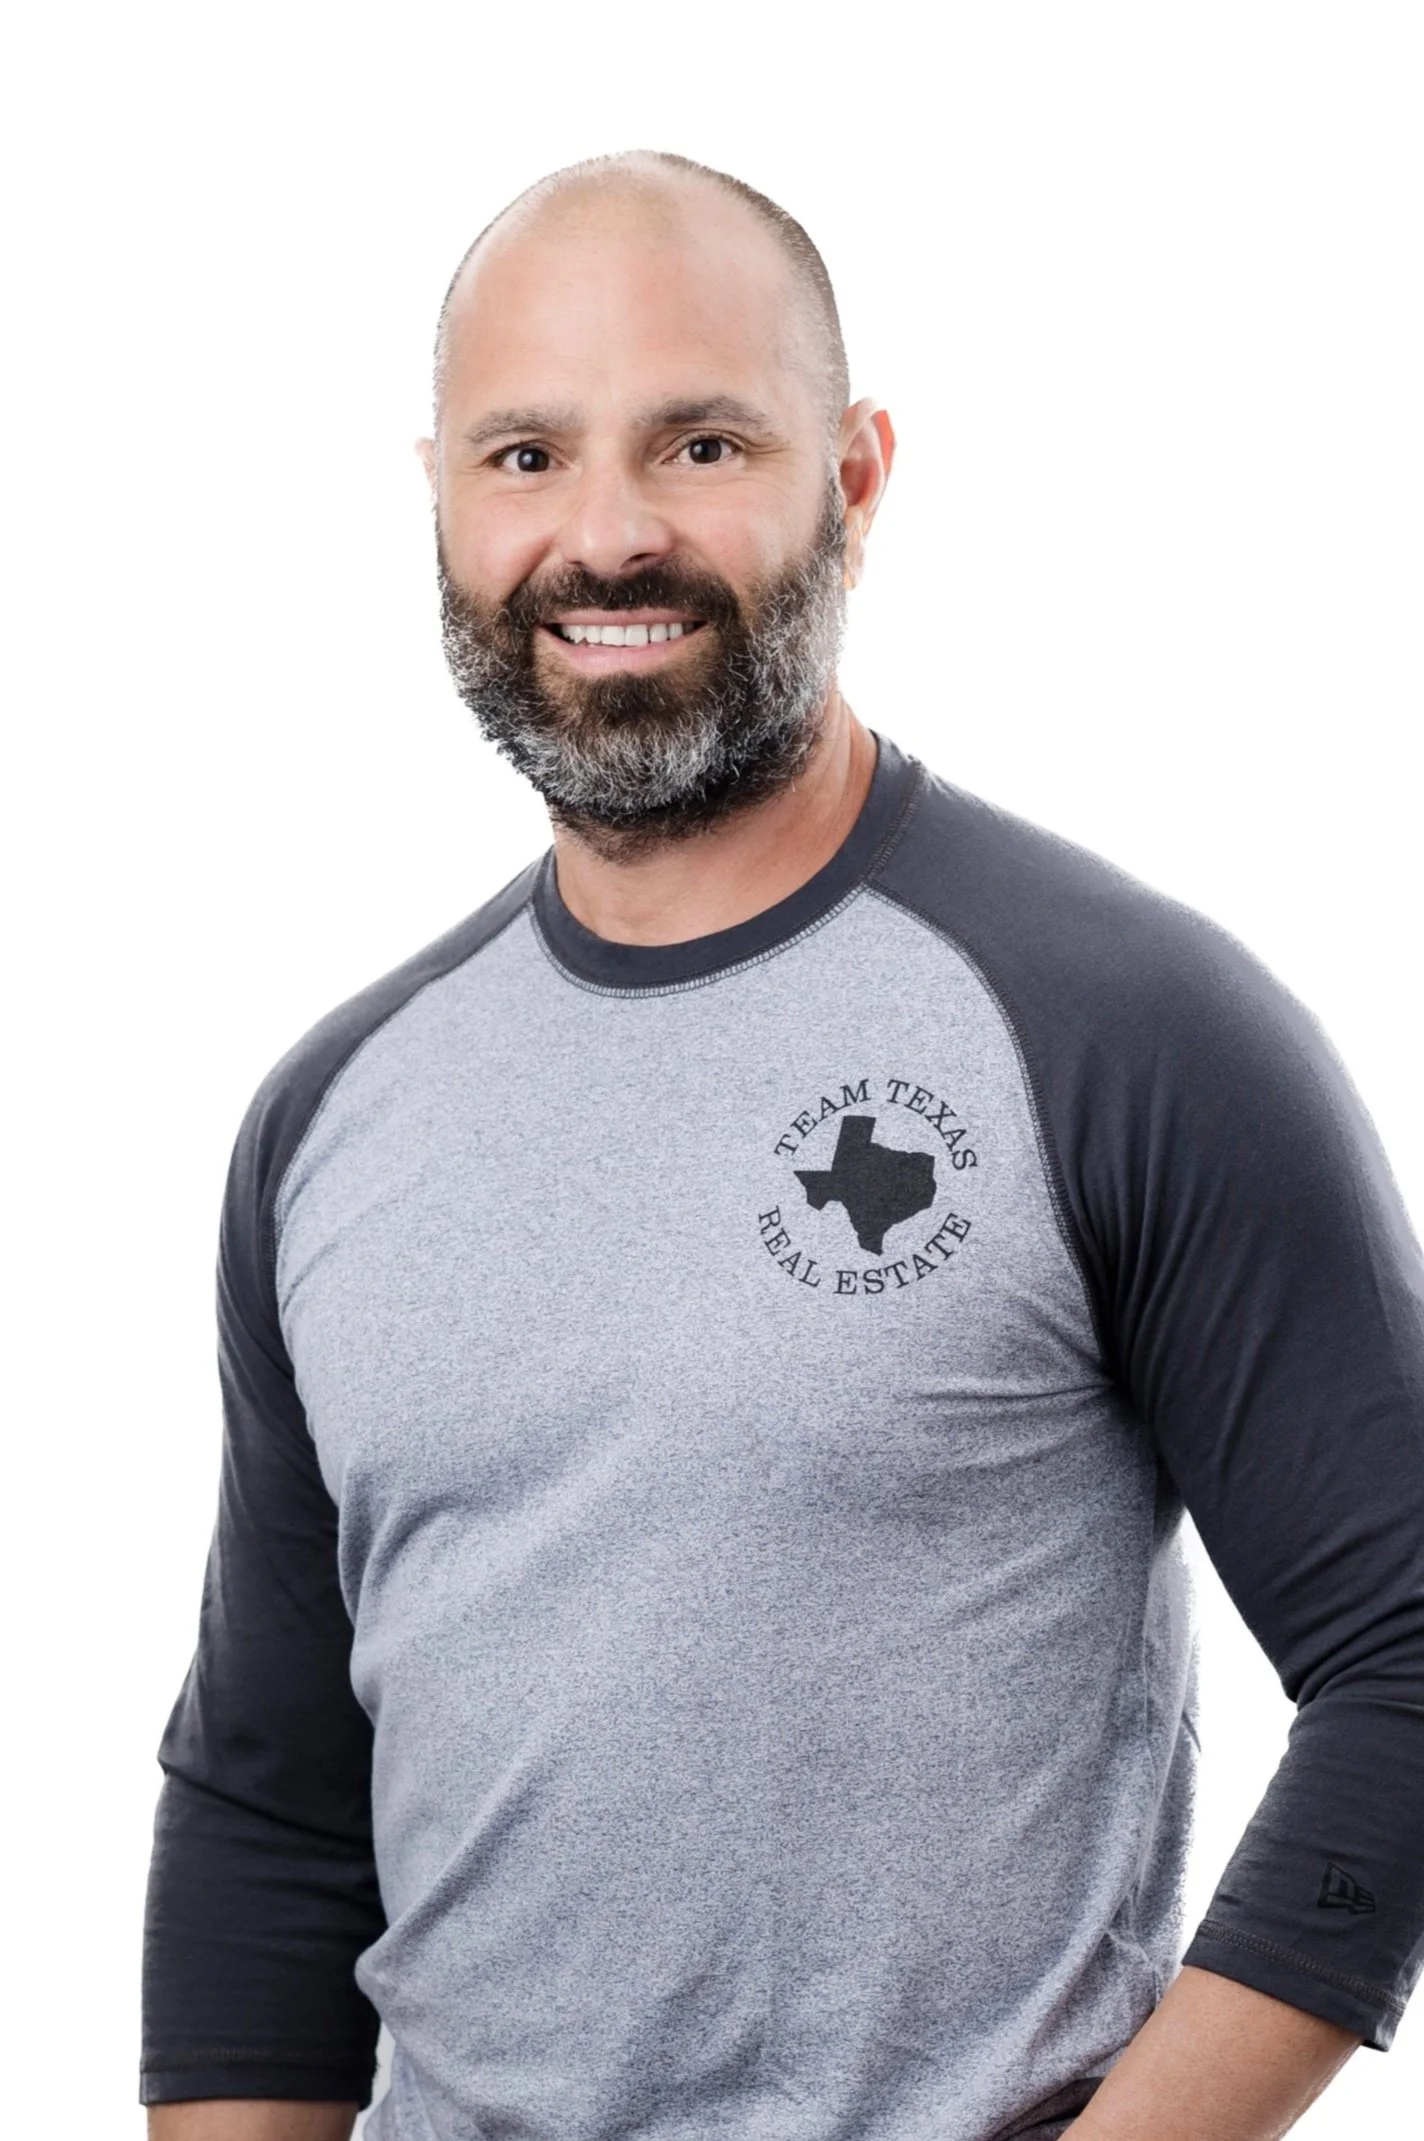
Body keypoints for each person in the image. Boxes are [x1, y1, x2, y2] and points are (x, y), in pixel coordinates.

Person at [140, 151, 1424, 2141]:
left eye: (704, 443)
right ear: (442, 499)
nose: (606, 535)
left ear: (857, 474)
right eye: (524, 457)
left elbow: (1403, 1660)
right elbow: (269, 1800)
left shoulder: (1127, 1027)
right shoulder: (329, 1116)